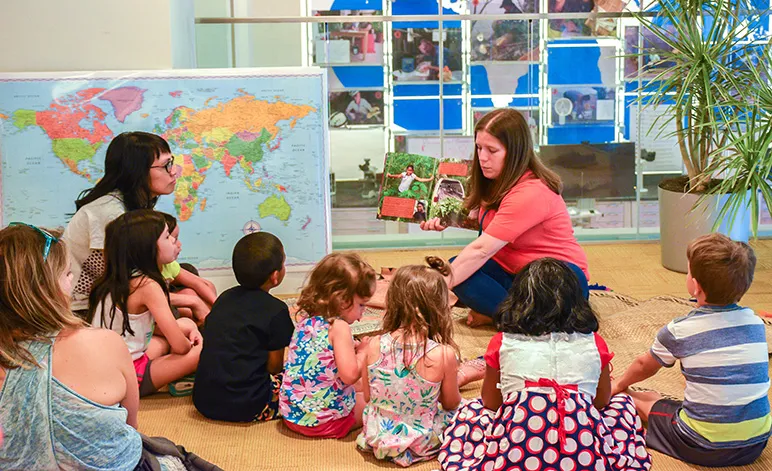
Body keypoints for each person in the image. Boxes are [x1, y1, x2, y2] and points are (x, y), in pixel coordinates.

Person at [439, 258, 651, 470]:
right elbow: (601, 401)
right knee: (622, 404)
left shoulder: (502, 342)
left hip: (517, 451)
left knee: (472, 409)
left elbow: (491, 403)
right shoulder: (594, 343)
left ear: (517, 300)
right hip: (583, 451)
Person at [611, 233, 770, 467]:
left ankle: (627, 398)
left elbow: (644, 365)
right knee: (666, 402)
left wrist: (619, 384)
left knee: (647, 399)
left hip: (702, 445)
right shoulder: (756, 323)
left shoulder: (680, 330)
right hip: (756, 444)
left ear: (695, 286)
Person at [421, 108, 589, 327]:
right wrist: (445, 218)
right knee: (457, 267)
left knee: (458, 269)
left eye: (492, 150)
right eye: (479, 147)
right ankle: (512, 316)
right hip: (516, 274)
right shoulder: (497, 181)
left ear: (515, 152)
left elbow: (481, 249)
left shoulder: (531, 191)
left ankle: (511, 319)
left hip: (556, 283)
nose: (482, 157)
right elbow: (486, 220)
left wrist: (429, 294)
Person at [0, 223, 142, 469]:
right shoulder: (104, 342)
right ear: (43, 290)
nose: (72, 281)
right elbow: (130, 424)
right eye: (66, 274)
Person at [356, 258, 482, 467]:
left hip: (377, 433)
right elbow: (451, 404)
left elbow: (369, 397)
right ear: (439, 308)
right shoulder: (443, 354)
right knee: (473, 410)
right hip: (420, 440)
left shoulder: (373, 344)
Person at [88, 210, 202, 397]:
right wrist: (192, 342)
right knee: (201, 349)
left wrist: (189, 330)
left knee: (184, 326)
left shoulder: (110, 281)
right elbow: (181, 347)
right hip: (126, 378)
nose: (173, 241)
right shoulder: (147, 286)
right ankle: (184, 378)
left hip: (104, 369)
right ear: (147, 248)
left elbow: (141, 330)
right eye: (167, 237)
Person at [63, 132, 177, 315]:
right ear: (137, 171)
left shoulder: (133, 203)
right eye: (166, 165)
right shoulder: (109, 212)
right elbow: (122, 280)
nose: (174, 171)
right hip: (88, 306)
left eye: (172, 162)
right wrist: (188, 299)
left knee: (188, 276)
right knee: (180, 315)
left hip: (119, 294)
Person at [193, 232, 294, 422]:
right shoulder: (277, 311)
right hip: (249, 406)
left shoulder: (224, 298)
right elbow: (274, 367)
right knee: (301, 378)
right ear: (275, 276)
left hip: (204, 401)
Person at [279, 253, 376, 438]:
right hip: (325, 423)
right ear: (342, 300)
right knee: (375, 400)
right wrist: (362, 352)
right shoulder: (339, 327)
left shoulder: (306, 321)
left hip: (292, 415)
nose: (361, 315)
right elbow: (349, 376)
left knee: (362, 387)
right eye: (362, 305)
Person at [159, 212, 217, 323]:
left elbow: (198, 283)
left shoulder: (169, 265)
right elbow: (155, 298)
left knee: (205, 287)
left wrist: (218, 307)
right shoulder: (142, 277)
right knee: (187, 311)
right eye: (171, 238)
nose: (178, 244)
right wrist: (194, 302)